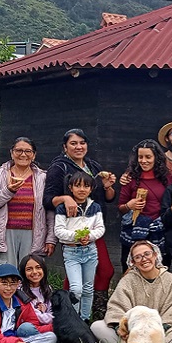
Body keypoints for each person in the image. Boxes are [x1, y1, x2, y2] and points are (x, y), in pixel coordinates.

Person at [43, 128, 116, 319]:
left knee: (102, 271)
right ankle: (71, 314)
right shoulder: (59, 167)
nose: (79, 147)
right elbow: (47, 199)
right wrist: (65, 199)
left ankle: (93, 312)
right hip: (73, 228)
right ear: (64, 147)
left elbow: (106, 198)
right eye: (73, 143)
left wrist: (108, 187)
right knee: (77, 278)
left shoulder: (92, 166)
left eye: (82, 143)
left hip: (93, 226)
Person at [90, 241, 172, 343]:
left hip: (158, 334)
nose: (144, 259)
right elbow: (117, 307)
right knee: (97, 326)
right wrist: (125, 330)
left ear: (155, 255)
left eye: (147, 254)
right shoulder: (128, 280)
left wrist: (150, 333)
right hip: (130, 334)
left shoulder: (171, 280)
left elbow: (170, 312)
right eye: (138, 257)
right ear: (133, 262)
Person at [0, 138, 55, 268]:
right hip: (4, 233)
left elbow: (50, 210)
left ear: (34, 155)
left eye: (28, 151)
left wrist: (51, 238)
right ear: (11, 153)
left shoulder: (43, 178)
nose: (23, 154)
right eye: (18, 150)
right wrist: (8, 191)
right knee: (6, 275)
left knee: (29, 275)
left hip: (34, 234)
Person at [55, 172, 105, 321]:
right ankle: (73, 319)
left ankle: (85, 319)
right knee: (76, 288)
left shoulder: (95, 207)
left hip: (90, 250)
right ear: (71, 187)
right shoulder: (63, 207)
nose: (82, 189)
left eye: (86, 186)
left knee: (88, 288)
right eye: (77, 185)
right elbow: (58, 231)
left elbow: (100, 228)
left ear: (91, 189)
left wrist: (89, 236)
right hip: (71, 252)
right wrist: (76, 236)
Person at [118, 139, 172, 272]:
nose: (144, 161)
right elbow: (120, 206)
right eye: (140, 157)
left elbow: (171, 202)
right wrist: (129, 205)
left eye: (148, 157)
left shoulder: (167, 177)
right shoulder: (130, 177)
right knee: (131, 269)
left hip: (159, 229)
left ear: (156, 158)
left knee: (159, 267)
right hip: (134, 231)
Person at [19, 254, 54, 325]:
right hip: (31, 325)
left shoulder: (48, 288)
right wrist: (53, 319)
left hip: (47, 325)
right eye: (29, 269)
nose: (34, 272)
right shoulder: (20, 290)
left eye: (38, 267)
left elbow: (54, 310)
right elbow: (32, 315)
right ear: (23, 272)